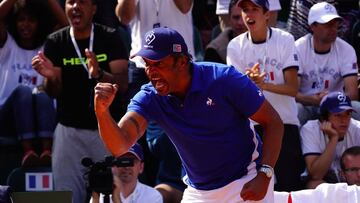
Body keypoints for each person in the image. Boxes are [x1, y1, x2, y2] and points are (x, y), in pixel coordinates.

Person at [94, 26, 284, 202]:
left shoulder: (224, 79)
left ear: (182, 61)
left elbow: (273, 122)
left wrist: (265, 174)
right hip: (199, 191)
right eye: (147, 64)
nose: (151, 72)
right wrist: (102, 111)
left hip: (247, 178)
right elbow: (120, 146)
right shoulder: (149, 96)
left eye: (158, 63)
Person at [31, 0, 129, 202]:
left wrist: (100, 73)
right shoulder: (56, 41)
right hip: (69, 131)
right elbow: (54, 92)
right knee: (66, 196)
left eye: (82, 2)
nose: (75, 6)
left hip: (106, 131)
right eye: (70, 2)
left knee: (108, 196)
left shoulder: (109, 36)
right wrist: (51, 76)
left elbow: (122, 83)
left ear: (94, 8)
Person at [227, 0, 304, 192]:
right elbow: (233, 92)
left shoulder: (284, 39)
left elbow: (293, 88)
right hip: (253, 126)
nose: (249, 14)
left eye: (255, 9)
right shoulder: (235, 46)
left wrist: (263, 84)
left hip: (285, 121)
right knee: (255, 188)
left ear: (267, 14)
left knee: (289, 187)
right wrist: (248, 82)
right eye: (245, 9)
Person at [0, 0, 66, 167]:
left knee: (41, 92)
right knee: (23, 92)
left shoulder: (49, 46)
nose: (26, 25)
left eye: (31, 20)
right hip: (8, 118)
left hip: (44, 116)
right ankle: (28, 151)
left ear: (40, 22)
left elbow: (68, 26)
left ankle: (46, 151)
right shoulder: (7, 45)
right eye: (21, 19)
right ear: (14, 22)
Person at [295, 2, 360, 126]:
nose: (333, 29)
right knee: (296, 110)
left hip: (337, 105)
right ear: (312, 26)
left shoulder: (346, 49)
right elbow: (293, 92)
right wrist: (313, 100)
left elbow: (352, 93)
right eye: (327, 24)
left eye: (335, 24)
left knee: (357, 107)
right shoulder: (298, 48)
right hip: (308, 104)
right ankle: (295, 146)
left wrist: (328, 100)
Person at [300, 92, 360, 189]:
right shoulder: (311, 129)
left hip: (352, 177)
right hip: (326, 178)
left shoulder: (357, 129)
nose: (344, 120)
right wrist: (333, 139)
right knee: (315, 185)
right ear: (324, 117)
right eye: (338, 115)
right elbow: (316, 175)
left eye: (348, 114)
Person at [90, 143, 163, 203]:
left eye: (131, 161)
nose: (127, 167)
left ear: (141, 167)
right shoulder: (101, 195)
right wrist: (95, 199)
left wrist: (116, 198)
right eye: (121, 161)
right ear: (113, 166)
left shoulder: (152, 195)